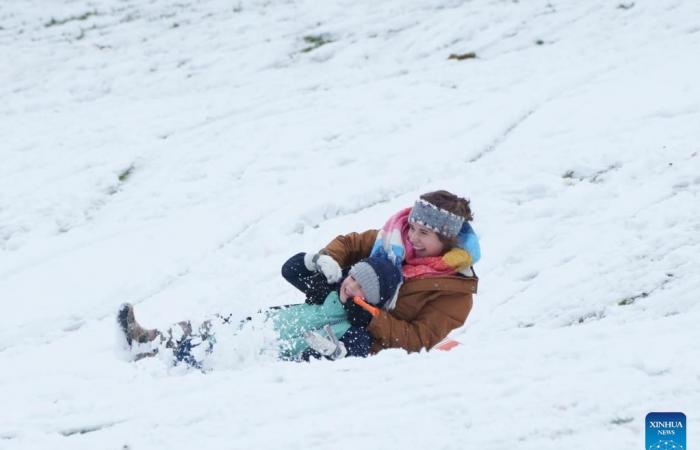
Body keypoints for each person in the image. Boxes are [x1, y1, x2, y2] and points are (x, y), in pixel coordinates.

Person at [118, 256, 402, 368]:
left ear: (371, 301)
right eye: (352, 277)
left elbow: (355, 353)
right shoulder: (327, 291)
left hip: (256, 348)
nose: (350, 285)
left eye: (360, 287)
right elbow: (290, 270)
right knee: (196, 327)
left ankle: (146, 363)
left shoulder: (354, 330)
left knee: (190, 352)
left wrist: (332, 352)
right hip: (253, 323)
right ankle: (146, 337)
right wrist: (316, 261)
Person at [299, 190, 480, 354]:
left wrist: (372, 318)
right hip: (339, 310)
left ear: (446, 241)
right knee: (299, 268)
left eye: (424, 233)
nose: (412, 238)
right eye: (412, 227)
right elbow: (350, 244)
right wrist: (327, 263)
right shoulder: (393, 241)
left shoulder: (455, 292)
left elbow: (418, 339)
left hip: (366, 342)